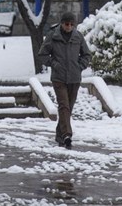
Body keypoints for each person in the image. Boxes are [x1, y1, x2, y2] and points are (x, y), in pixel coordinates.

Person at [37, 11, 91, 149]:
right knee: (64, 106)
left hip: (74, 78)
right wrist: (54, 64)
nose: (69, 26)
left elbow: (87, 54)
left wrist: (79, 66)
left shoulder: (78, 37)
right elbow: (42, 54)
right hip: (59, 78)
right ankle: (67, 135)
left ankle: (59, 134)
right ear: (62, 24)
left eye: (72, 24)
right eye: (67, 24)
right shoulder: (53, 36)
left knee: (68, 108)